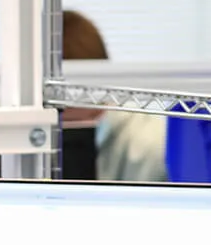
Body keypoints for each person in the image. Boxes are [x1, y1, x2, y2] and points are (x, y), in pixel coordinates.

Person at [60, 10, 169, 182]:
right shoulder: (15, 133)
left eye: (66, 101)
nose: (57, 113)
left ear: (99, 84)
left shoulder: (153, 145)